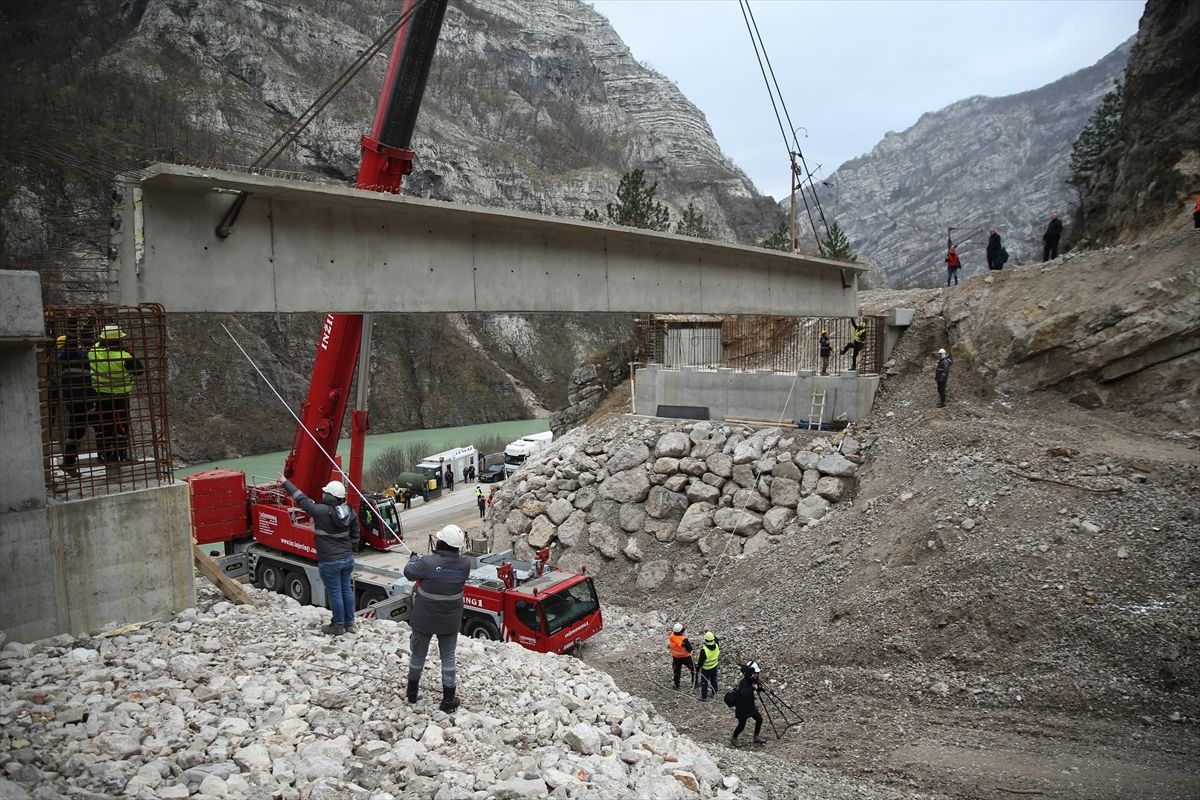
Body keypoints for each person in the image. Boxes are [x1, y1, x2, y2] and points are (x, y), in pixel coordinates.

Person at [281, 475, 360, 635]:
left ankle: (338, 625)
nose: (323, 495)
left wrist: (285, 483)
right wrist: (353, 549)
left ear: (330, 496)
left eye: (325, 493)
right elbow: (356, 533)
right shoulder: (349, 512)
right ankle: (350, 623)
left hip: (330, 561)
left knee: (335, 592)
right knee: (346, 590)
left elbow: (302, 500)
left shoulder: (320, 512)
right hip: (347, 559)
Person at [404, 524, 471, 712]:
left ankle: (412, 693)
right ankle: (448, 700)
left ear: (441, 542)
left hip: (424, 618)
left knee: (418, 654)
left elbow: (409, 573)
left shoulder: (427, 562)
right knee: (448, 656)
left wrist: (413, 560)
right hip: (449, 619)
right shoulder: (465, 564)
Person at [88, 324, 144, 467]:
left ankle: (104, 457)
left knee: (104, 426)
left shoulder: (93, 352)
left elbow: (98, 344)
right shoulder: (124, 357)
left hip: (100, 396)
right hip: (119, 397)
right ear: (116, 341)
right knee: (121, 427)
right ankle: (120, 457)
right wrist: (130, 354)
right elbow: (139, 371)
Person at [58, 330, 97, 477]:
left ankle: (68, 462)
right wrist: (73, 320)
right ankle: (111, 459)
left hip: (78, 399)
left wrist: (91, 321)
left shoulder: (70, 357)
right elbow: (75, 341)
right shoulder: (68, 355)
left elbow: (87, 340)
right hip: (81, 400)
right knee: (100, 425)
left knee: (77, 431)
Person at [730, 661, 766, 747]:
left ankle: (756, 736)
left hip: (750, 705)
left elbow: (756, 687)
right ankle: (734, 738)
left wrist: (759, 688)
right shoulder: (743, 682)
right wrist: (753, 688)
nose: (757, 674)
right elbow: (745, 694)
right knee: (741, 725)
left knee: (759, 719)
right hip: (742, 707)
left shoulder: (752, 680)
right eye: (755, 673)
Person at [668, 622, 695, 690]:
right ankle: (695, 683)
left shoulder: (672, 636)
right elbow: (689, 649)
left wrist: (684, 628)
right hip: (686, 658)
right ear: (681, 631)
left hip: (676, 658)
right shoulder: (684, 640)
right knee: (694, 669)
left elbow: (678, 632)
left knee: (676, 672)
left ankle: (676, 686)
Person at [696, 629, 720, 702]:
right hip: (714, 667)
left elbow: (700, 662)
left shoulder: (704, 650)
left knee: (704, 683)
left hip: (706, 669)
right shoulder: (716, 644)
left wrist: (697, 669)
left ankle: (704, 697)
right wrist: (709, 632)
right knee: (714, 681)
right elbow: (716, 639)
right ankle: (714, 693)